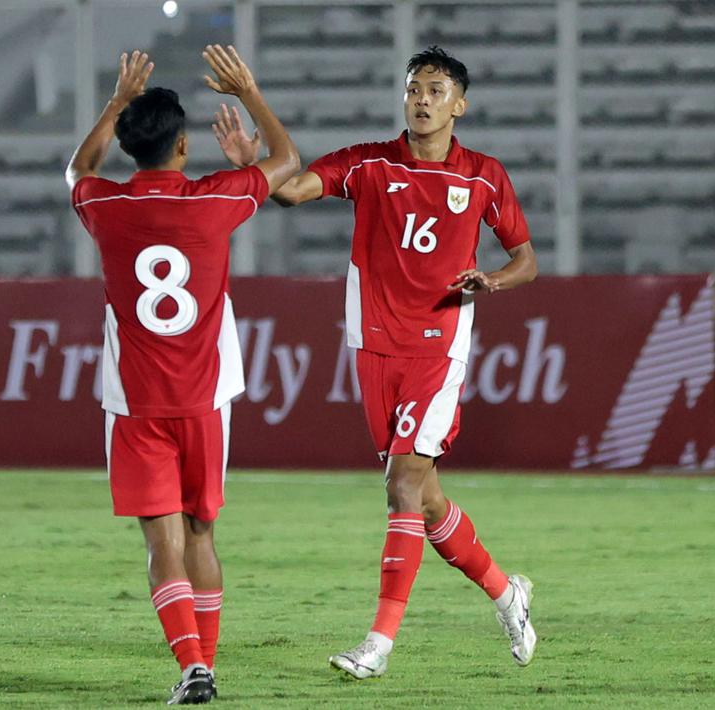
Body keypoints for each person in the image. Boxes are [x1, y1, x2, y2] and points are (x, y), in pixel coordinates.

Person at [213, 45, 538, 679]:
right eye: (414, 88)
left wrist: (491, 282)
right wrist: (257, 166)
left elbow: (525, 259)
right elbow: (295, 191)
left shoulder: (483, 176)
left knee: (400, 488)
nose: (422, 99)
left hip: (438, 349)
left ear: (459, 106)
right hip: (374, 350)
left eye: (436, 90)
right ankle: (507, 593)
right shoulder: (368, 163)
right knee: (429, 502)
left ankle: (379, 643)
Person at [65, 45, 298, 704]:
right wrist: (249, 93)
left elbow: (77, 167)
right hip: (204, 400)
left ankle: (192, 667)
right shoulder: (213, 200)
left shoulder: (103, 205)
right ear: (183, 148)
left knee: (160, 540)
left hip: (135, 403)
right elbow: (287, 166)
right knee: (201, 533)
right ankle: (209, 665)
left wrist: (115, 101)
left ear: (131, 147)